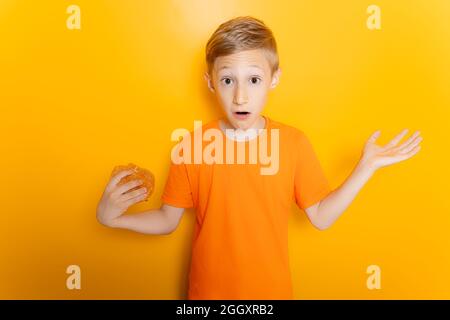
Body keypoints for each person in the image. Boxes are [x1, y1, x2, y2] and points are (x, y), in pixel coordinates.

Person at [96, 16, 422, 300]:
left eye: (253, 80)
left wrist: (365, 168)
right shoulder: (191, 145)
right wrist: (113, 218)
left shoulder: (293, 143)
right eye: (227, 80)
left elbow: (321, 217)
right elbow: (167, 221)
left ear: (274, 79)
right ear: (210, 82)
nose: (240, 96)